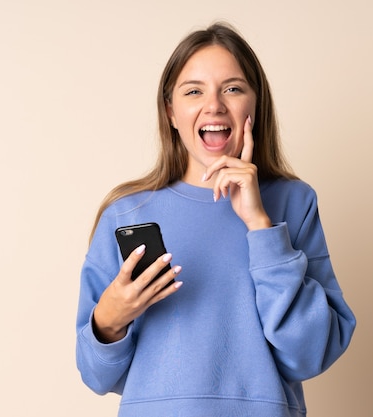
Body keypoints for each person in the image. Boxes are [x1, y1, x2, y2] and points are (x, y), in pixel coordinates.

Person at [76, 22, 356, 417]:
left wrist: (260, 225)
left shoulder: (294, 203)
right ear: (171, 112)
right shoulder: (125, 214)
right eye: (194, 91)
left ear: (255, 106)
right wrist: (109, 319)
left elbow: (309, 355)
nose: (214, 106)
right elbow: (95, 375)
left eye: (233, 88)